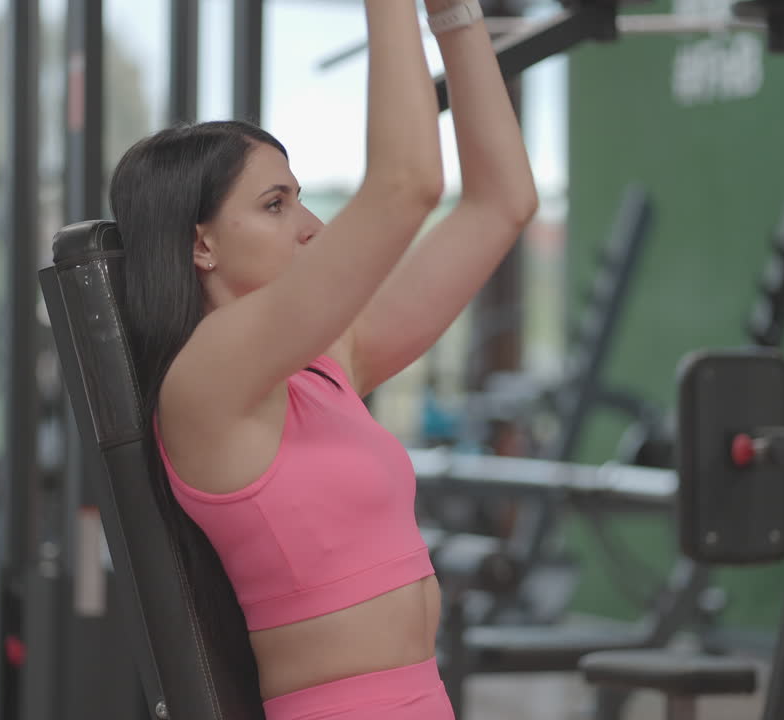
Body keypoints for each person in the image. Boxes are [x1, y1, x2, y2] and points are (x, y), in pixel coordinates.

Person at [108, 0, 536, 717]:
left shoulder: (327, 365)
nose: (311, 227)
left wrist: (456, 18)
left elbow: (502, 202)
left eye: (299, 199)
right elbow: (406, 187)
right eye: (276, 205)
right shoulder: (204, 381)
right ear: (200, 243)